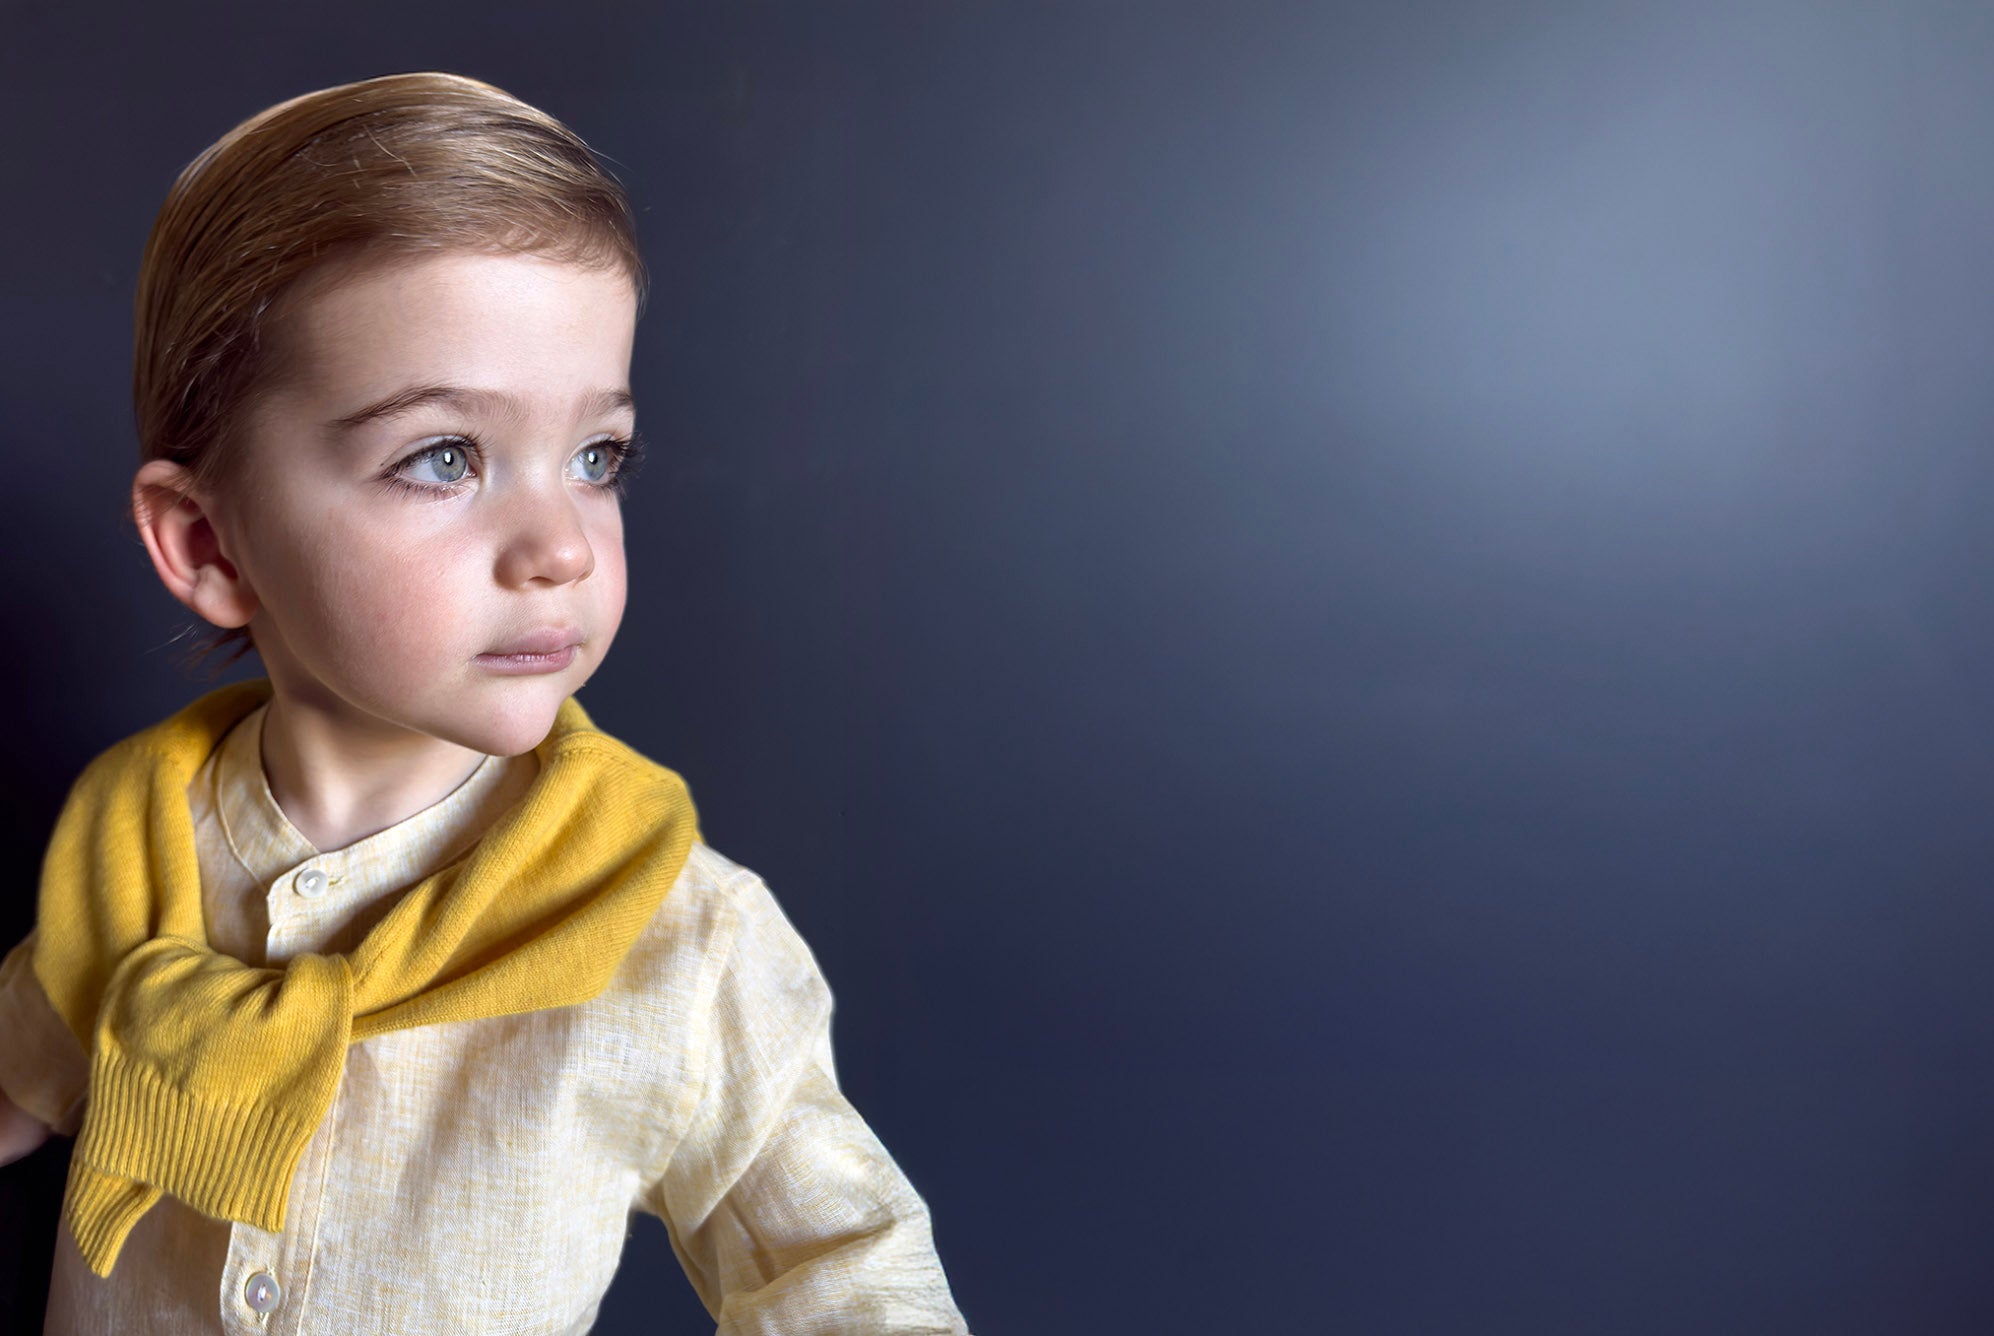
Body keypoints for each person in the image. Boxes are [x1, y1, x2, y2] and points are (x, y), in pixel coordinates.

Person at [0, 71, 970, 1334]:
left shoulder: (672, 934)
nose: (560, 545)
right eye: (445, 457)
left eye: (596, 457)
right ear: (209, 546)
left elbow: (845, 1273)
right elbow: (30, 1064)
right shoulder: (127, 847)